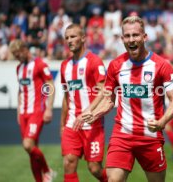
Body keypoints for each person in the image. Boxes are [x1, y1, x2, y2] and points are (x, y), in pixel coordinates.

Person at [81, 16, 173, 182]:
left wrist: (162, 121)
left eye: (135, 35)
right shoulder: (115, 65)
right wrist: (96, 113)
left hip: (150, 135)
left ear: (144, 37)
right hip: (123, 134)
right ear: (122, 39)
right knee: (113, 180)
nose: (131, 39)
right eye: (127, 36)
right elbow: (108, 100)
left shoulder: (162, 65)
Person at [60, 24, 107, 182]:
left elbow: (104, 91)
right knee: (69, 162)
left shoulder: (94, 61)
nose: (69, 40)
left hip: (92, 124)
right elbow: (67, 97)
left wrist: (87, 112)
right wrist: (62, 124)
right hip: (72, 124)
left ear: (83, 38)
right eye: (67, 38)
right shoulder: (64, 66)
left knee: (94, 169)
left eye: (73, 36)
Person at [9, 39, 56, 182]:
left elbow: (50, 85)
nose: (17, 58)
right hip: (23, 113)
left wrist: (49, 108)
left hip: (37, 111)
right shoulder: (19, 68)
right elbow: (20, 90)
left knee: (27, 145)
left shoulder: (40, 64)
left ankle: (48, 171)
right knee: (32, 151)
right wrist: (18, 111)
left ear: (24, 49)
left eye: (18, 54)